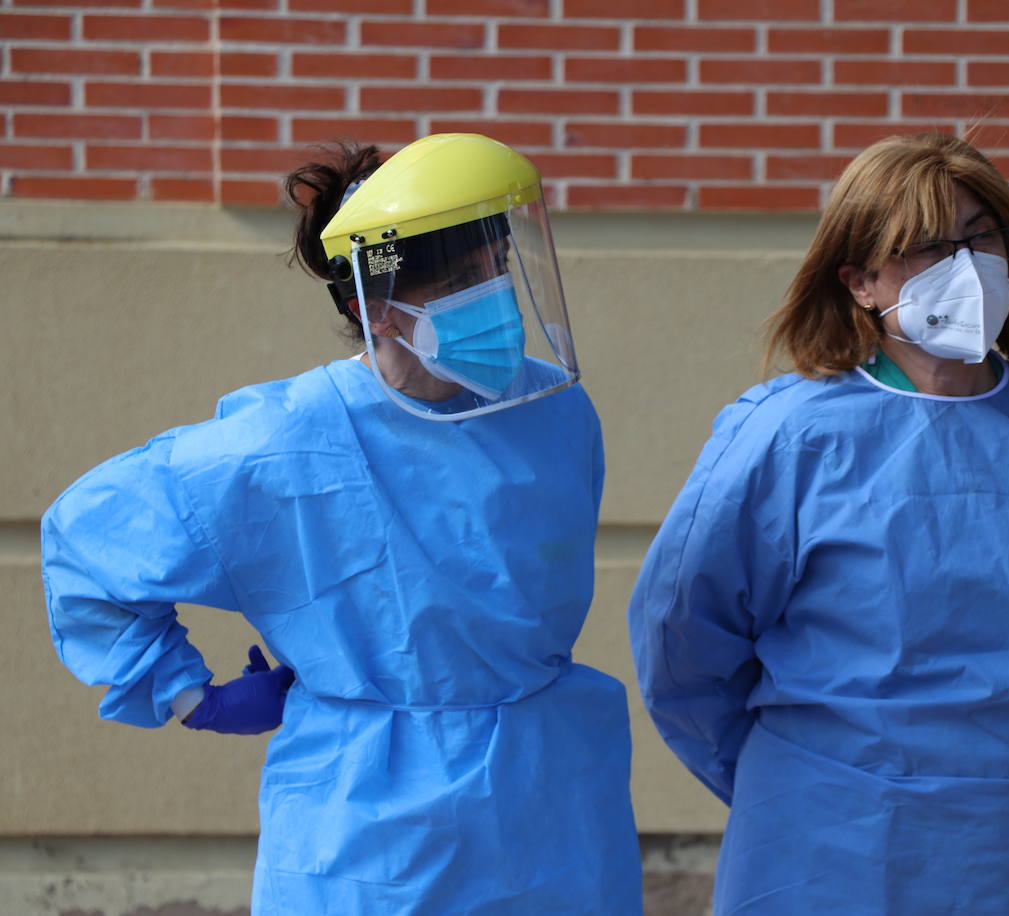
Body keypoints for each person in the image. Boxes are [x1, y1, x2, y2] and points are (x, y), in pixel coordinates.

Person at [41, 133, 643, 914]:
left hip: (552, 805)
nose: (493, 297)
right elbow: (89, 542)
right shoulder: (283, 440)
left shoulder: (552, 408)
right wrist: (189, 696)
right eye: (463, 282)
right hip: (371, 825)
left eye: (497, 269)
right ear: (374, 308)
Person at [627, 133, 1009, 915]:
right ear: (861, 281)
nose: (966, 266)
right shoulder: (786, 439)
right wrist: (804, 780)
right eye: (927, 248)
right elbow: (683, 645)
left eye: (983, 238)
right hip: (831, 845)